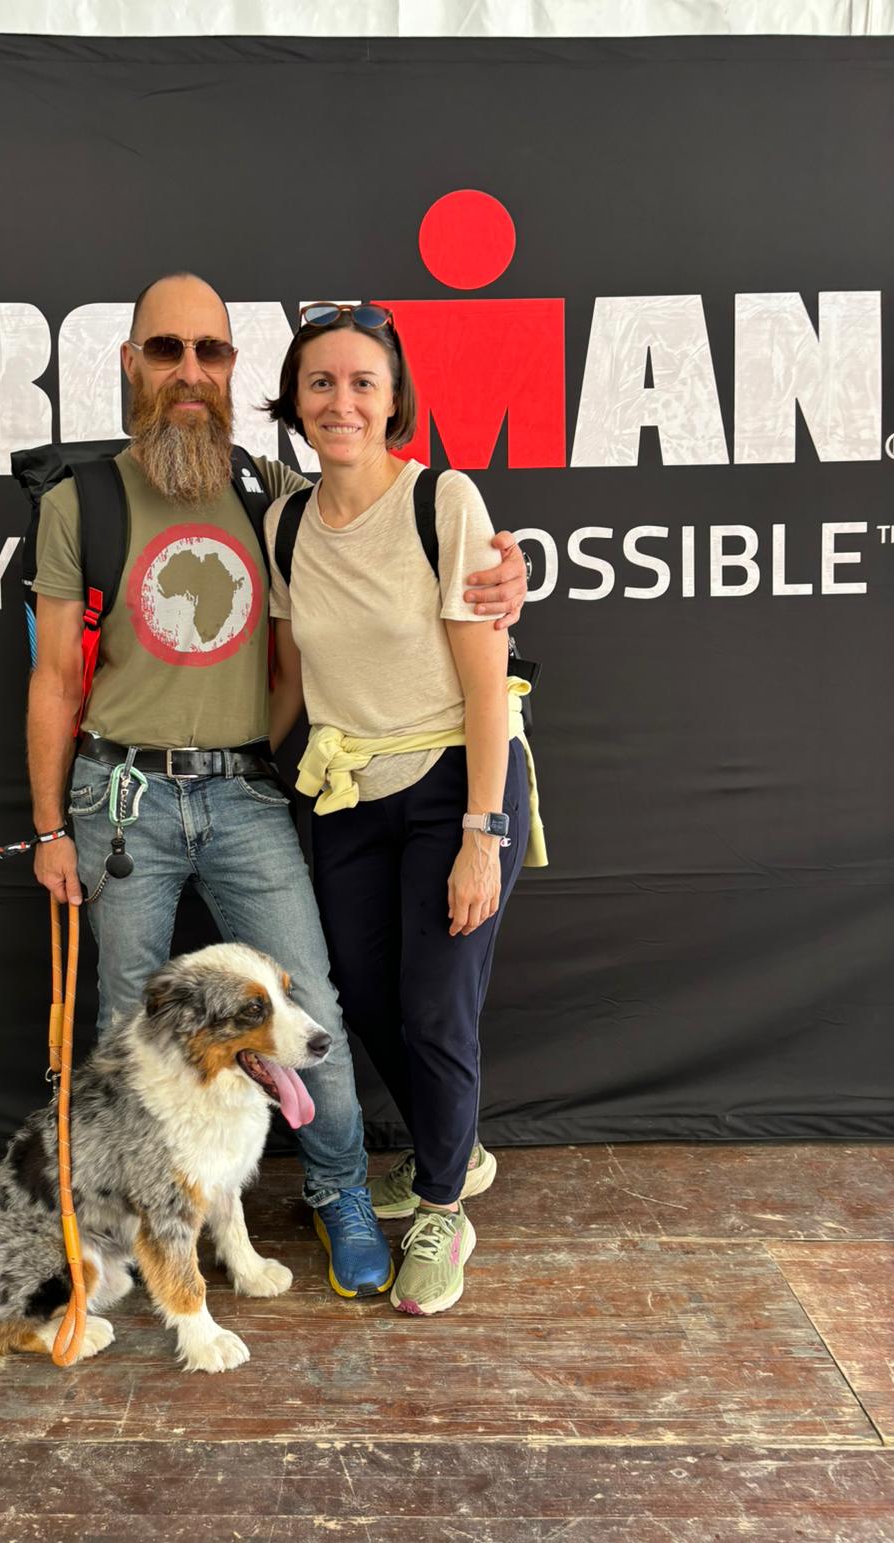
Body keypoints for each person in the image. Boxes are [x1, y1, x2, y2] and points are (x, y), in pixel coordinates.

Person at [26, 273, 529, 1299]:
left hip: (265, 795)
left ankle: (347, 1189)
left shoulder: (277, 495)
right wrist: (48, 827)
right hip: (129, 801)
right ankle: (138, 1222)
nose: (189, 371)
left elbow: (425, 604)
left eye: (210, 352)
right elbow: (61, 677)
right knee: (133, 1026)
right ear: (131, 363)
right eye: (166, 350)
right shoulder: (102, 503)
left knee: (313, 1007)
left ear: (233, 371)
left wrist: (505, 572)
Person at [264, 302, 547, 1316]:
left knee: (435, 1006)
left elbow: (485, 683)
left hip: (454, 783)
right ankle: (452, 1147)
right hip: (346, 790)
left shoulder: (443, 500)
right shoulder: (284, 522)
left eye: (362, 383)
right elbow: (289, 679)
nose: (340, 401)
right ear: (295, 403)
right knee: (362, 999)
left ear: (393, 402)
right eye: (321, 382)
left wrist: (482, 833)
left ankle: (441, 1205)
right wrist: (238, 760)